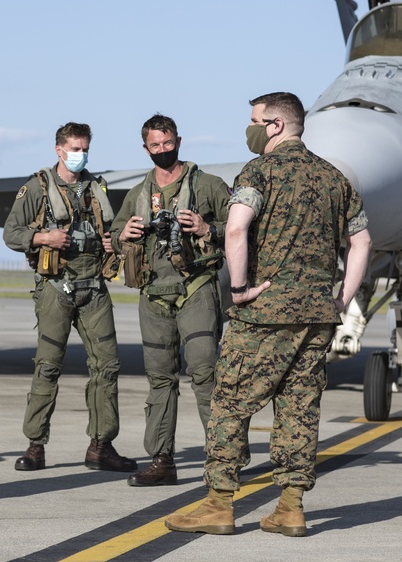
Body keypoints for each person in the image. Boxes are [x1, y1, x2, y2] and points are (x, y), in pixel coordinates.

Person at [165, 92, 372, 536]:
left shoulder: (260, 171)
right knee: (300, 406)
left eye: (255, 121)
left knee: (230, 402)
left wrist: (238, 289)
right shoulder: (334, 178)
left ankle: (219, 504)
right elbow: (363, 242)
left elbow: (236, 227)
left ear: (276, 125)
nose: (251, 129)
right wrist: (342, 298)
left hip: (265, 312)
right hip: (317, 313)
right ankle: (291, 507)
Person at [3, 122, 136, 473]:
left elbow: (113, 230)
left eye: (85, 148)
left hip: (94, 288)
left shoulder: (97, 187)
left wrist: (113, 241)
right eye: (75, 148)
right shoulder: (37, 187)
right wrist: (44, 239)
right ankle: (35, 445)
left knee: (107, 366)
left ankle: (101, 445)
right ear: (59, 150)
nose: (81, 155)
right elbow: (11, 233)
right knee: (47, 367)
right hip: (55, 288)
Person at [109, 114, 231, 487]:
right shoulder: (138, 193)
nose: (162, 151)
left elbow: (240, 229)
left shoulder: (208, 186)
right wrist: (123, 234)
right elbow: (113, 237)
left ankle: (222, 461)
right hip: (154, 296)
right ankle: (162, 461)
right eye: (154, 146)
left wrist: (209, 229)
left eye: (167, 143)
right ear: (145, 148)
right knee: (160, 380)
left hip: (196, 290)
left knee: (205, 374)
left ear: (178, 140)